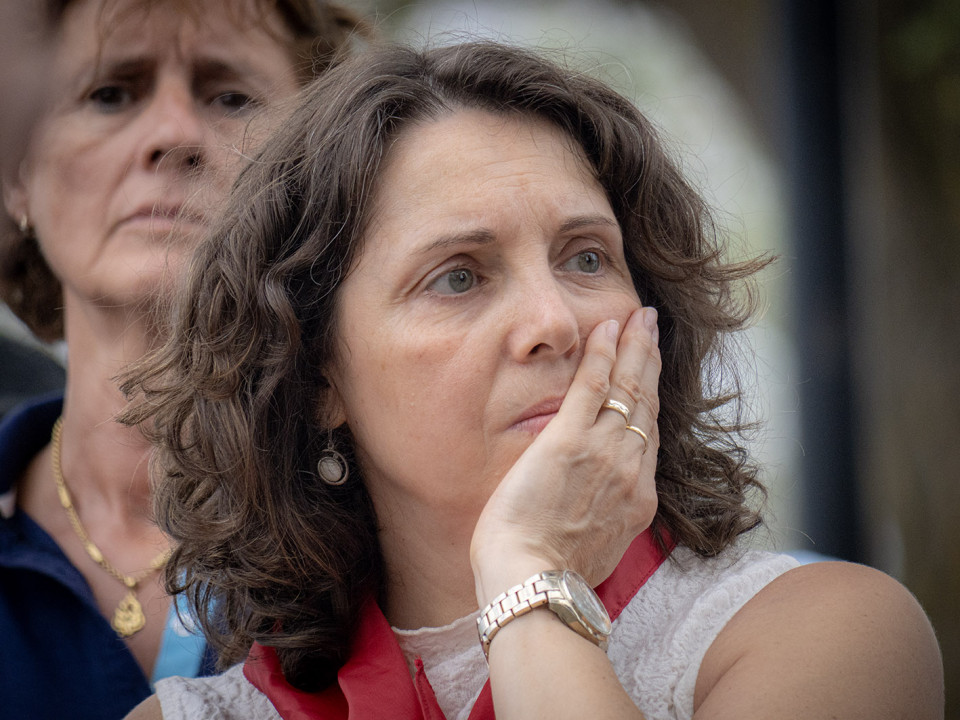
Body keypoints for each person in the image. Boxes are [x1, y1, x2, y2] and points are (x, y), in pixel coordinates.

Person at [123, 42, 943, 719]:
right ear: (315, 377)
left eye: (586, 258)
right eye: (458, 277)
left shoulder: (826, 633)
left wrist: (530, 573)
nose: (555, 321)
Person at [0, 1, 369, 718]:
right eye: (111, 93)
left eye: (231, 97)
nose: (174, 135)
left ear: (318, 167)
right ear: (17, 175)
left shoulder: (393, 536)